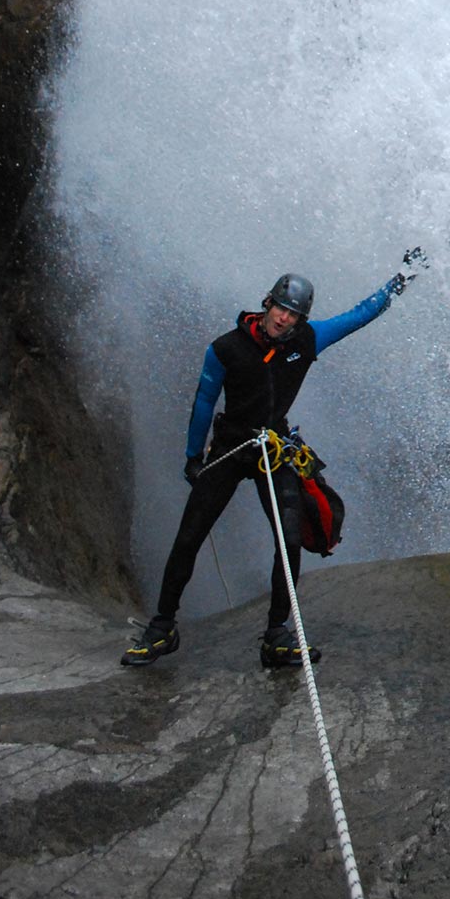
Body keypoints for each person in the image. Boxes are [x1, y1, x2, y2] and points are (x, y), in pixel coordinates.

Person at [121, 251, 426, 669]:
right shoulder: (226, 349)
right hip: (231, 447)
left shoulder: (308, 340)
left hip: (274, 448)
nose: (285, 319)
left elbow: (359, 315)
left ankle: (277, 634)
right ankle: (162, 627)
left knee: (289, 539)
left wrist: (399, 281)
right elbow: (204, 401)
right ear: (268, 304)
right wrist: (194, 456)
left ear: (301, 319)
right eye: (281, 309)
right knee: (189, 536)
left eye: (294, 314)